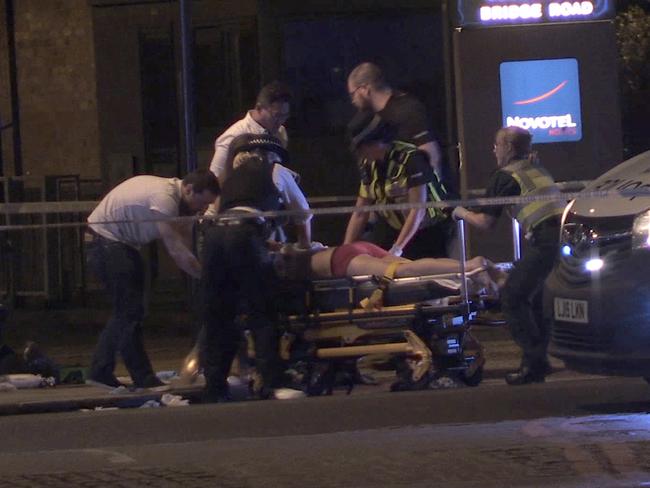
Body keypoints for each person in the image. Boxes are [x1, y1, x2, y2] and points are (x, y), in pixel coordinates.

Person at [85, 170, 220, 389]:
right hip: (106, 243)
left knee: (131, 312)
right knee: (129, 311)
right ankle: (114, 372)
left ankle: (125, 374)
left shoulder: (182, 203)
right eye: (201, 203)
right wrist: (207, 278)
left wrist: (198, 269)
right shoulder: (164, 198)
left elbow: (185, 242)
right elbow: (176, 249)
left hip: (117, 244)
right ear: (188, 189)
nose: (202, 210)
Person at [452, 126, 563, 385]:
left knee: (512, 296)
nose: (494, 149)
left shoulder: (504, 176)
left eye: (496, 144)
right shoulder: (536, 168)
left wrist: (461, 212)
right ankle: (534, 365)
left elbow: (486, 223)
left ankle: (537, 361)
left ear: (509, 148)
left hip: (545, 241)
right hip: (563, 238)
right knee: (535, 301)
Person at [200, 134, 304, 403]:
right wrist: (304, 247)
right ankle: (271, 382)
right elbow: (303, 212)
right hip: (245, 234)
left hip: (214, 237)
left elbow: (222, 216)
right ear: (272, 154)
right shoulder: (277, 170)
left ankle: (215, 386)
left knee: (219, 314)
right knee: (262, 309)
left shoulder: (230, 179)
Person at [208, 81, 311, 248]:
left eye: (285, 116)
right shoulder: (233, 137)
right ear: (259, 108)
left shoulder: (280, 133)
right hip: (231, 215)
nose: (280, 121)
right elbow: (214, 183)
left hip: (269, 214)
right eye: (276, 115)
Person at [344, 113, 453, 260]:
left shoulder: (410, 159)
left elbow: (418, 210)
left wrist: (396, 250)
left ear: (376, 142)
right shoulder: (368, 165)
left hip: (426, 229)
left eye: (362, 147)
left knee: (425, 273)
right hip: (393, 227)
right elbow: (360, 212)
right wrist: (345, 250)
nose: (359, 153)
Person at [278, 241, 503, 295]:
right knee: (412, 267)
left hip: (340, 261)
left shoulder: (278, 261)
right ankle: (472, 267)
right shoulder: (289, 248)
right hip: (350, 249)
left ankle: (469, 266)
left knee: (402, 273)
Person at [347, 62, 444, 178]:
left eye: (353, 94)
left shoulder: (408, 110)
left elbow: (430, 154)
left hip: (413, 189)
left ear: (365, 89)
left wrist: (427, 190)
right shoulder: (365, 121)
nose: (352, 100)